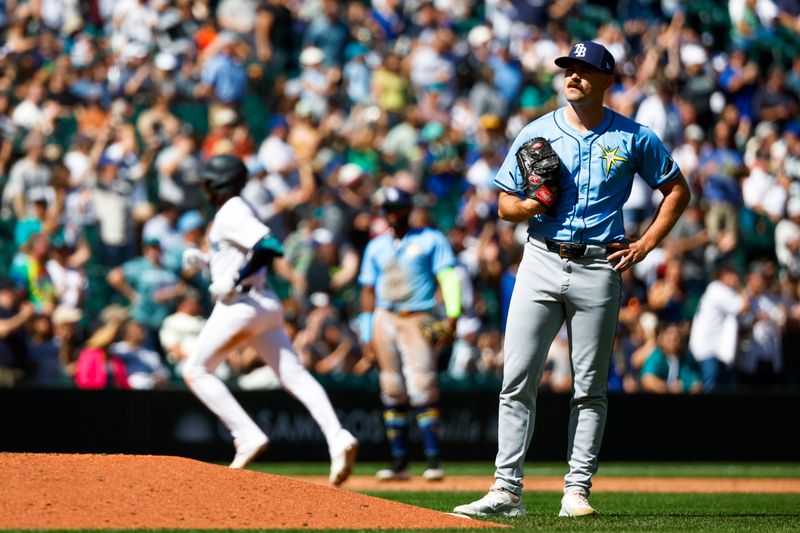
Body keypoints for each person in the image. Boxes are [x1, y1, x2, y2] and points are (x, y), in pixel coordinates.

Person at [454, 41, 691, 518]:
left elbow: (677, 190)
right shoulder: (537, 131)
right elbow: (503, 204)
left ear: (607, 80)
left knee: (590, 386)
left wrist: (645, 245)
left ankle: (576, 491)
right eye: (569, 68)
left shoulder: (634, 137)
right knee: (516, 378)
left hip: (600, 265)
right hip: (541, 257)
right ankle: (506, 490)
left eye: (586, 69)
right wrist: (527, 205)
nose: (574, 76)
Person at [180, 155, 358, 484]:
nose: (203, 187)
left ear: (218, 183)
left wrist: (232, 279)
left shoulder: (232, 208)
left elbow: (270, 245)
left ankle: (246, 435)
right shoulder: (234, 209)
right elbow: (246, 253)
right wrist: (207, 261)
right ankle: (337, 437)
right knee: (294, 375)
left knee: (195, 370)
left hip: (241, 304)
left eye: (207, 181)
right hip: (263, 303)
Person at [357, 186, 462, 481]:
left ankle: (433, 459)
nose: (392, 214)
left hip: (418, 315)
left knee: (421, 385)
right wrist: (366, 331)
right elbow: (367, 289)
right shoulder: (376, 245)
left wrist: (452, 315)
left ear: (407, 209)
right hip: (384, 315)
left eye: (397, 208)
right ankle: (399, 461)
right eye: (387, 209)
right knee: (391, 387)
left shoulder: (430, 239)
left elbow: (448, 277)